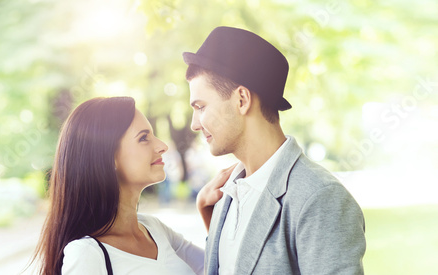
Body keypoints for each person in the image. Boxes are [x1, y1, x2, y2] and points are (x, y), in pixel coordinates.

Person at [184, 26, 366, 274]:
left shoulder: (320, 199)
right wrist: (211, 223)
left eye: (201, 106)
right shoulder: (224, 197)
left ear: (241, 100)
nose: (195, 124)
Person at [30, 97, 213, 275]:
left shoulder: (154, 229)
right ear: (108, 158)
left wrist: (206, 212)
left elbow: (218, 268)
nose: (162, 146)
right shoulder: (87, 253)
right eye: (143, 138)